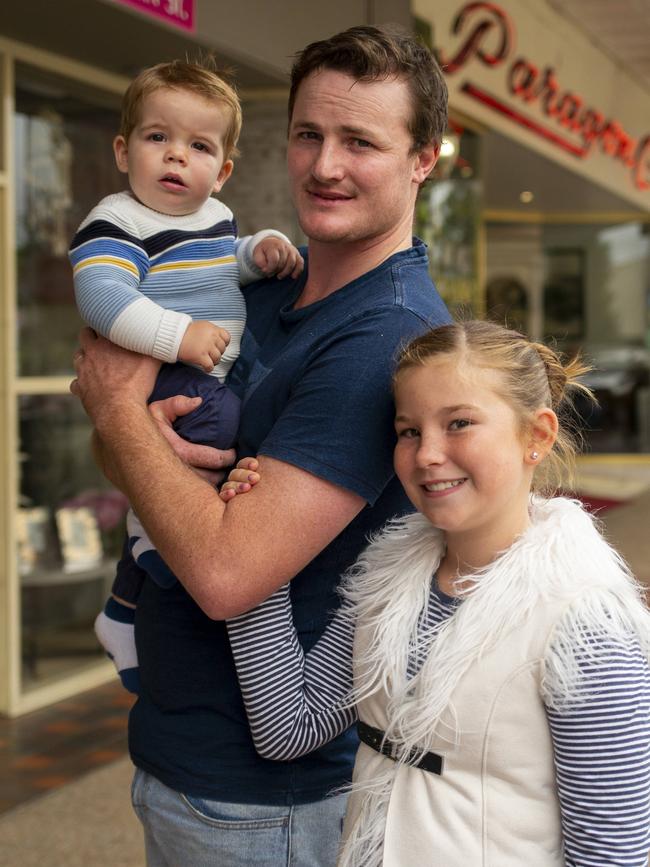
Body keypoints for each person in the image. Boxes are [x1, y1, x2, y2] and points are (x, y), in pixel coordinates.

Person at [70, 25, 451, 867]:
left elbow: (227, 572)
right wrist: (129, 430)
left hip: (258, 804)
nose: (324, 166)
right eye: (310, 134)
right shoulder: (266, 291)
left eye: (361, 141)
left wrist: (122, 417)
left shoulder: (384, 336)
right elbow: (131, 450)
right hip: (182, 756)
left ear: (423, 158)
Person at [223, 320, 650, 867]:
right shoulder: (385, 581)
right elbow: (291, 726)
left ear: (537, 436)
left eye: (460, 424)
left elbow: (612, 854)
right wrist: (254, 548)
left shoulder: (586, 623)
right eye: (409, 431)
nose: (427, 454)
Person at [68, 59, 302, 693]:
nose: (176, 158)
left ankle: (125, 604)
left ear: (222, 170)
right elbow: (103, 298)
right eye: (156, 138)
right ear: (123, 151)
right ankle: (158, 547)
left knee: (242, 426)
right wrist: (181, 336)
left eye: (198, 146)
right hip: (169, 371)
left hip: (213, 366)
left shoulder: (212, 218)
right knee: (221, 430)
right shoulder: (118, 220)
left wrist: (261, 250)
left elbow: (227, 263)